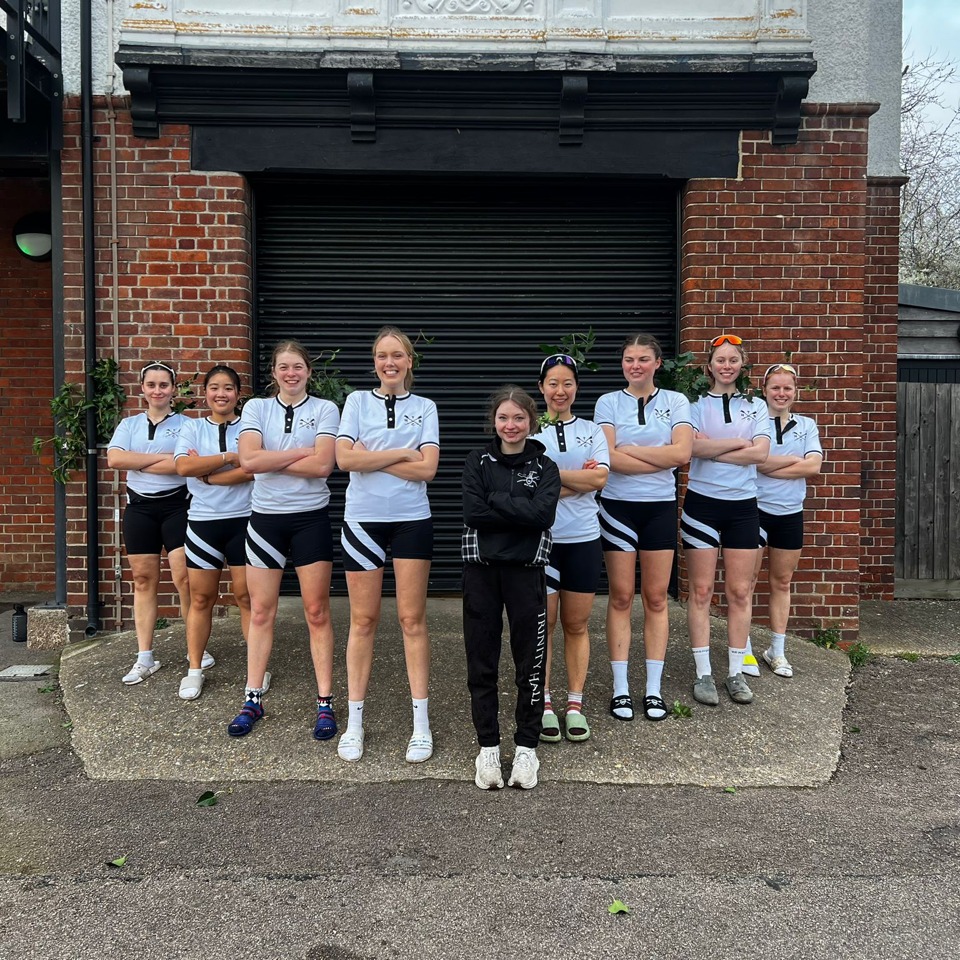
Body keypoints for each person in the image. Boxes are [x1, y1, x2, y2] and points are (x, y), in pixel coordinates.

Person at [335, 327, 440, 764]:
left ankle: (421, 725)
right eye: (382, 355)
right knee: (363, 621)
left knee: (412, 620)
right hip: (362, 521)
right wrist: (402, 454)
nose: (389, 362)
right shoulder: (357, 402)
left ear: (409, 361)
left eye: (397, 355)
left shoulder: (426, 406)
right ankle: (355, 724)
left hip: (412, 521)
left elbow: (429, 468)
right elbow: (344, 460)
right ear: (374, 361)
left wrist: (372, 456)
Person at [226, 340, 340, 740]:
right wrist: (300, 453)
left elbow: (324, 464)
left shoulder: (325, 409)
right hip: (265, 521)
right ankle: (252, 698)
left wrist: (274, 458)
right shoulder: (256, 408)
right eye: (283, 367)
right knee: (260, 611)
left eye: (298, 366)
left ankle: (325, 703)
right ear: (273, 373)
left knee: (317, 612)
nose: (290, 373)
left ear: (308, 370)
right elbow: (248, 462)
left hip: (310, 520)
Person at [462, 385, 560, 790]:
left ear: (531, 421)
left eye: (518, 418)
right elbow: (472, 511)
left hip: (526, 571)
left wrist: (497, 500)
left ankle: (526, 749)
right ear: (494, 422)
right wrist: (518, 506)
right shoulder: (476, 460)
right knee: (481, 662)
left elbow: (543, 516)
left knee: (529, 665)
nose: (511, 425)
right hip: (481, 571)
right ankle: (487, 748)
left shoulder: (547, 466)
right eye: (504, 417)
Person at [594, 335, 693, 721]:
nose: (635, 365)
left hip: (659, 509)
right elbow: (608, 460)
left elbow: (682, 454)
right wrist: (659, 458)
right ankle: (621, 689)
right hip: (618, 508)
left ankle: (652, 689)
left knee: (655, 598)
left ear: (657, 363)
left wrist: (629, 451)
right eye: (628, 359)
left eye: (643, 359)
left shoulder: (675, 402)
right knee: (620, 597)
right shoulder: (608, 402)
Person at [681, 334, 771, 706]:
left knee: (739, 591)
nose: (727, 366)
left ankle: (735, 672)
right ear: (709, 366)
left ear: (742, 365)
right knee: (701, 591)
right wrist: (739, 446)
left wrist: (714, 450)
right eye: (720, 360)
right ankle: (703, 674)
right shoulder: (696, 405)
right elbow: (690, 449)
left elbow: (762, 454)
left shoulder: (758, 405)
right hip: (702, 504)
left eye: (733, 360)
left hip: (743, 507)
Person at [535, 354, 609, 742]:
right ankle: (544, 702)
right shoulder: (530, 431)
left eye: (567, 383)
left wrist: (551, 480)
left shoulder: (593, 430)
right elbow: (528, 488)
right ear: (542, 388)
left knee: (577, 624)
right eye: (552, 383)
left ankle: (575, 703)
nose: (559, 390)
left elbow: (600, 479)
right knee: (543, 625)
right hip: (543, 542)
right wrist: (579, 479)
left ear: (576, 388)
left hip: (583, 538)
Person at [107, 361, 194, 685]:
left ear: (174, 389)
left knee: (183, 577)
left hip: (177, 508)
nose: (158, 390)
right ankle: (145, 657)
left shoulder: (187, 424)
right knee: (143, 580)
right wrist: (163, 460)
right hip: (140, 510)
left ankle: (194, 649)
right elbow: (115, 459)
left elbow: (182, 467)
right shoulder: (129, 425)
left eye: (164, 384)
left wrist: (140, 462)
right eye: (152, 384)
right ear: (142, 389)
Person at [174, 365, 254, 701]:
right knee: (201, 598)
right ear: (205, 393)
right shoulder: (191, 428)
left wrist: (207, 471)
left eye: (228, 388)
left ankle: (256, 669)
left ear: (238, 393)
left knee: (247, 597)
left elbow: (252, 470)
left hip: (245, 521)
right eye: (214, 388)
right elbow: (183, 467)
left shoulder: (250, 427)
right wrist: (227, 457)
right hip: (203, 522)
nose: (221, 394)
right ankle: (194, 669)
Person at [743, 362, 823, 679]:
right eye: (775, 387)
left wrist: (773, 464)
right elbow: (755, 463)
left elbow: (813, 467)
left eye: (787, 387)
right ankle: (743, 648)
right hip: (755, 511)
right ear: (764, 391)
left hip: (790, 513)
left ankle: (776, 651)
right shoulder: (752, 423)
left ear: (795, 391)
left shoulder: (806, 425)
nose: (781, 392)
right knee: (745, 584)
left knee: (782, 582)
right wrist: (793, 460)